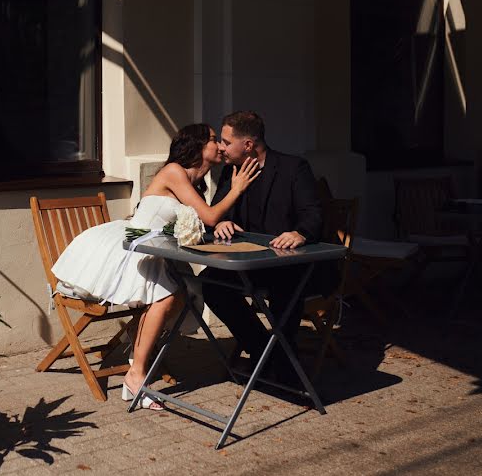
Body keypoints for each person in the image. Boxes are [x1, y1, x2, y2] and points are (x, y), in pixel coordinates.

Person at [52, 124, 261, 409]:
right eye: (215, 140)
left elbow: (206, 220)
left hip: (158, 251)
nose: (221, 147)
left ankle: (136, 349)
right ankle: (136, 374)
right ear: (198, 146)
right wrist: (236, 190)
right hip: (134, 245)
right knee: (167, 297)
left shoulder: (195, 181)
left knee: (183, 294)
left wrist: (220, 221)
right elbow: (209, 216)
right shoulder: (174, 171)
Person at [201, 111, 324, 385]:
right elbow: (217, 214)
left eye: (225, 141)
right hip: (249, 263)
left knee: (286, 290)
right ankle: (263, 351)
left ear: (248, 144)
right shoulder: (230, 171)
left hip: (289, 264)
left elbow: (313, 214)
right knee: (210, 283)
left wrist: (299, 233)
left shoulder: (293, 168)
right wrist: (222, 223)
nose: (221, 147)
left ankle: (287, 374)